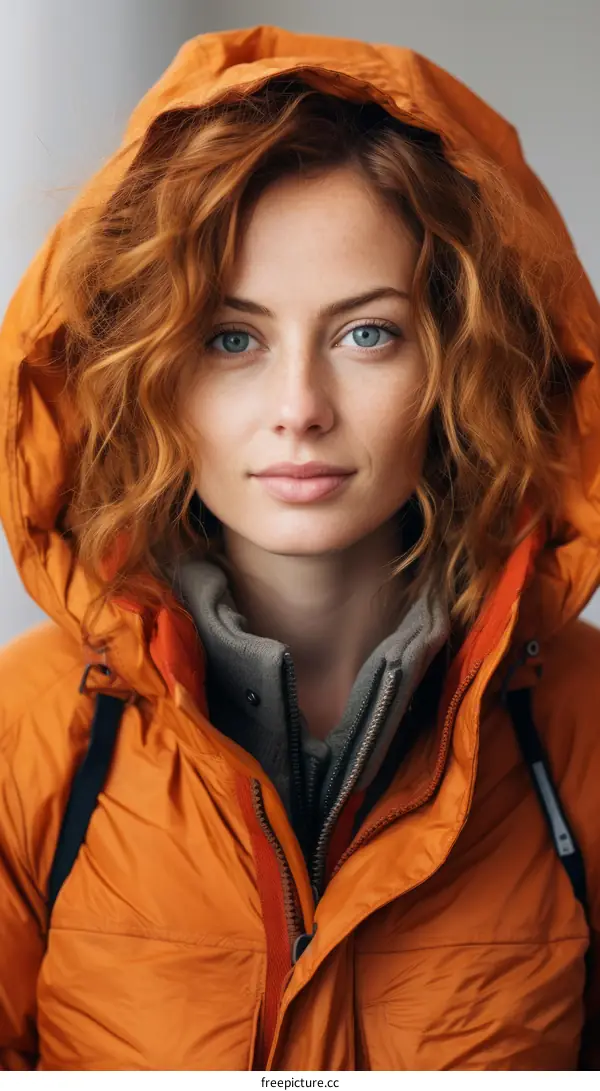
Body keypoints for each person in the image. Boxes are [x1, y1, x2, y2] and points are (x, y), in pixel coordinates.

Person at [0, 25, 599, 1073]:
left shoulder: (583, 725)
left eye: (367, 332)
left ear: (463, 360)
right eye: (232, 337)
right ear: (147, 367)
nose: (300, 410)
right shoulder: (30, 731)